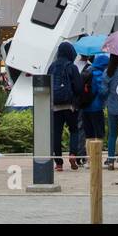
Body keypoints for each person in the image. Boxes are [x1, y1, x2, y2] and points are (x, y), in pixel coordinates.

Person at [48, 41, 83, 171]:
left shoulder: (52, 67)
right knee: (74, 130)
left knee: (56, 133)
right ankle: (73, 154)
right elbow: (78, 88)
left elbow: (47, 84)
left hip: (55, 106)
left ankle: (58, 163)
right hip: (70, 106)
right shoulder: (72, 67)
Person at [76, 53, 109, 166]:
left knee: (88, 135)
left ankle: (89, 161)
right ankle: (97, 161)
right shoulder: (99, 74)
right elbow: (102, 91)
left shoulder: (86, 71)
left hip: (85, 107)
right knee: (98, 134)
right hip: (96, 108)